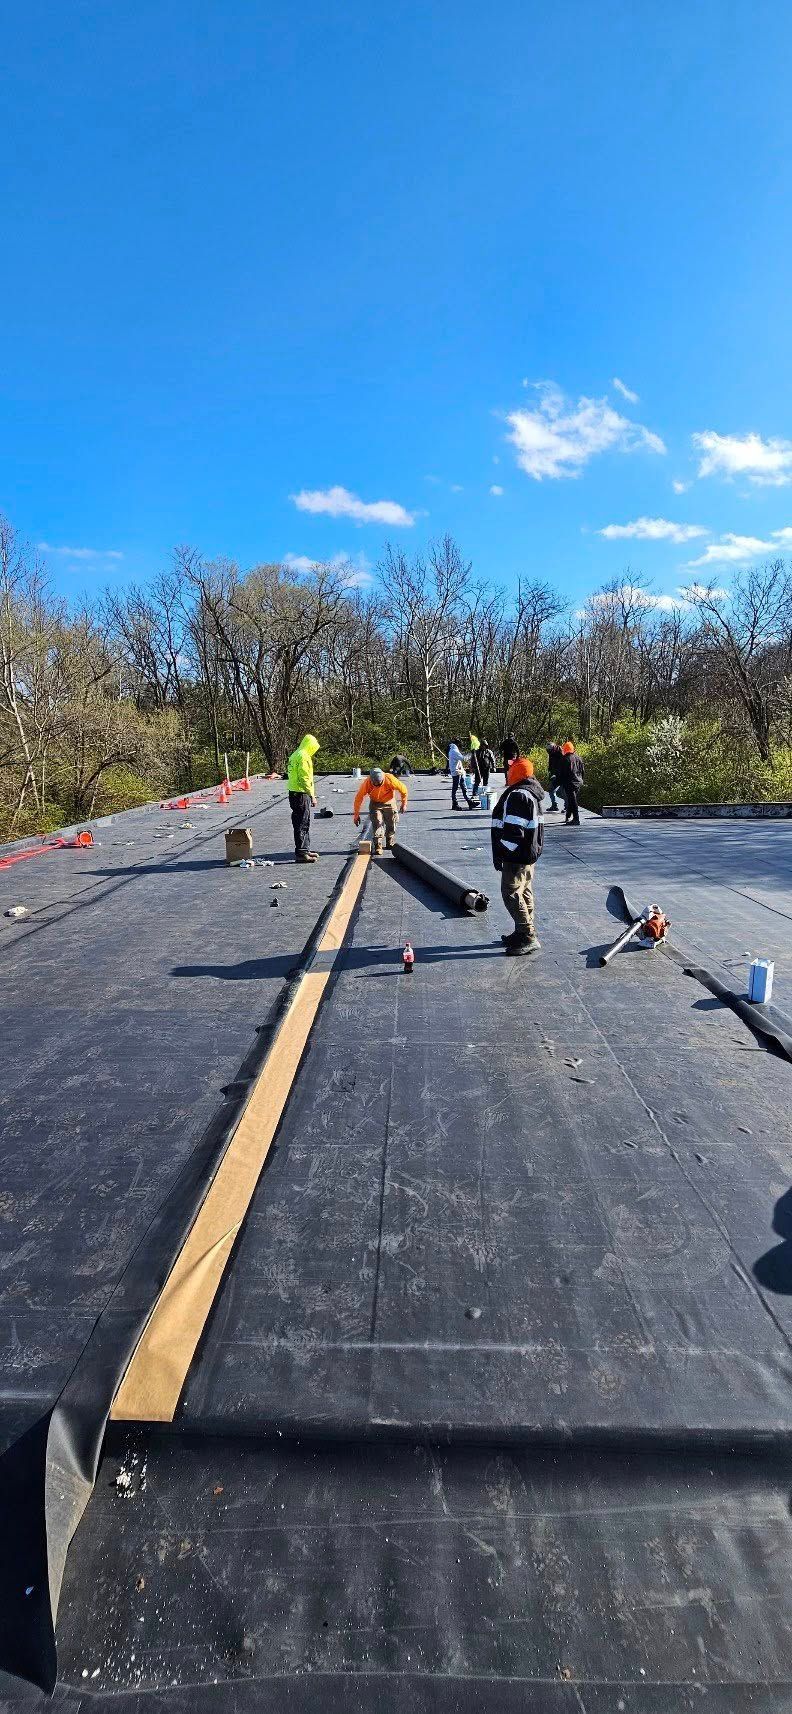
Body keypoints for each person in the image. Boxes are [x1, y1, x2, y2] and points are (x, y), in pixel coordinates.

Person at [491, 757, 544, 955]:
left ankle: (528, 935)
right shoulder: (531, 793)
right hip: (526, 855)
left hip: (516, 856)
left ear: (516, 773)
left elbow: (514, 831)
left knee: (511, 893)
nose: (507, 771)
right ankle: (522, 931)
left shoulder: (518, 796)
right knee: (525, 892)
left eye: (510, 768)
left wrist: (502, 853)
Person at [353, 766, 409, 852]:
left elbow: (404, 790)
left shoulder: (390, 779)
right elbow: (358, 798)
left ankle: (390, 840)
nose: (377, 785)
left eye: (379, 783)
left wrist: (404, 804)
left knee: (391, 822)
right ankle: (378, 844)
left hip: (389, 802)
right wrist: (356, 815)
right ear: (371, 780)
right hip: (375, 804)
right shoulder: (367, 783)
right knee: (377, 822)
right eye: (375, 783)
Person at [287, 733, 320, 862]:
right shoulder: (304, 756)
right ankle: (301, 853)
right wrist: (312, 795)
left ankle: (305, 849)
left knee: (301, 822)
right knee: (302, 823)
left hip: (294, 792)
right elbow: (304, 777)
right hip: (300, 793)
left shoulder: (296, 754)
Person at [559, 740, 585, 826]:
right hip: (578, 781)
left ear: (564, 749)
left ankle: (576, 819)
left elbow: (562, 773)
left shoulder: (564, 759)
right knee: (571, 799)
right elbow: (582, 771)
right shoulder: (578, 758)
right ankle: (568, 815)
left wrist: (560, 782)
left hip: (570, 782)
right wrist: (581, 780)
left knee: (573, 801)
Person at [448, 739, 474, 810]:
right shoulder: (454, 751)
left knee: (464, 788)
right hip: (457, 772)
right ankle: (455, 804)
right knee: (455, 788)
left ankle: (469, 802)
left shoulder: (453, 750)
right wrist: (471, 754)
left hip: (459, 772)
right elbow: (463, 758)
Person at [546, 742, 562, 812]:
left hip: (561, 775)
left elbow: (564, 764)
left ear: (553, 748)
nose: (548, 752)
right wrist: (550, 772)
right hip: (554, 775)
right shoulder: (551, 753)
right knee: (551, 789)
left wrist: (557, 773)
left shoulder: (561, 752)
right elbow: (551, 764)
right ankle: (554, 805)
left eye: (549, 750)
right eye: (547, 750)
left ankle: (567, 807)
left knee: (562, 792)